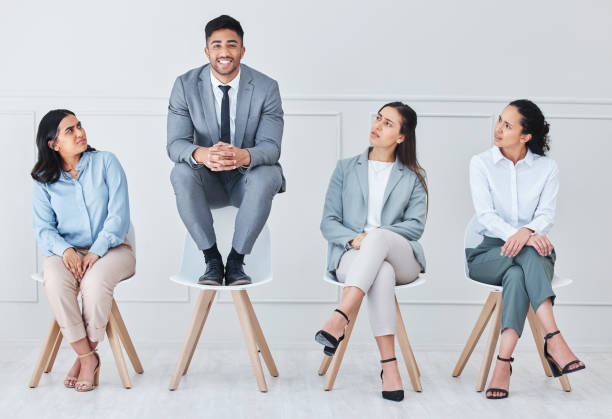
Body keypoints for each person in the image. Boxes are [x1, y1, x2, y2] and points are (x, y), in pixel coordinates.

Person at [467, 99, 585, 399]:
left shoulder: (547, 168)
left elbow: (546, 214)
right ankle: (554, 339)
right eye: (499, 120)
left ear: (526, 136)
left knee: (518, 275)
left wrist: (526, 233)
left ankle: (503, 362)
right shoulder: (480, 163)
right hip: (488, 254)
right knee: (527, 254)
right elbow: (485, 216)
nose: (498, 128)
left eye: (508, 125)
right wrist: (523, 236)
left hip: (534, 253)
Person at [316, 102, 428, 401]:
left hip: (402, 256)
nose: (377, 125)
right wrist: (356, 240)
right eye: (378, 118)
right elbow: (329, 222)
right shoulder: (345, 168)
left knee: (380, 242)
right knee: (382, 272)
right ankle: (390, 367)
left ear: (402, 136)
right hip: (351, 255)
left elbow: (415, 227)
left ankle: (340, 316)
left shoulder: (414, 177)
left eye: (388, 123)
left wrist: (375, 237)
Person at [167, 14, 285, 286]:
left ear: (242, 50)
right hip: (207, 181)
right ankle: (211, 260)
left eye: (232, 45)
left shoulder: (266, 87)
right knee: (180, 172)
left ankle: (235, 262)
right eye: (217, 45)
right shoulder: (185, 85)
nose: (224, 52)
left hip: (246, 180)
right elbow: (175, 144)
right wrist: (204, 154)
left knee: (269, 174)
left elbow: (271, 147)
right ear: (206, 51)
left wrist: (243, 156)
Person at [31, 109, 135, 392]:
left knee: (94, 280)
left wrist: (95, 251)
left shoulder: (106, 162)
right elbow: (44, 229)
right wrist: (65, 250)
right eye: (70, 130)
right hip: (67, 252)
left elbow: (118, 217)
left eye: (79, 126)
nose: (80, 133)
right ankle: (88, 357)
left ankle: (84, 356)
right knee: (54, 280)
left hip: (113, 249)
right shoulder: (43, 180)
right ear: (53, 144)